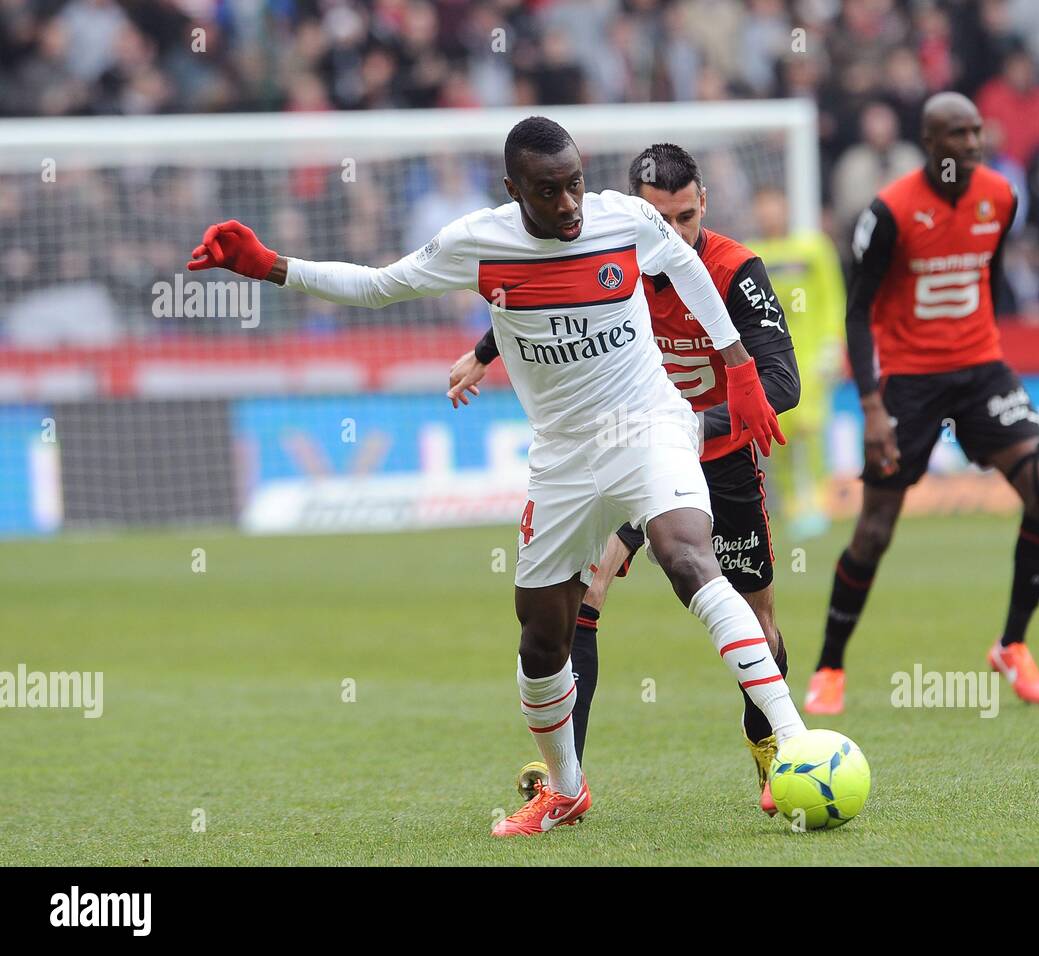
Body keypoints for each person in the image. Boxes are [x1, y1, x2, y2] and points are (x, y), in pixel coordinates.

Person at [186, 116, 806, 836]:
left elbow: (687, 265)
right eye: (551, 192)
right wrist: (271, 266)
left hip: (648, 427)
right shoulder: (476, 242)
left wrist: (738, 367)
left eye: (575, 183)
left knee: (688, 557)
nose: (571, 203)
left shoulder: (623, 219)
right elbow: (378, 287)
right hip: (564, 457)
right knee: (542, 634)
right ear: (515, 191)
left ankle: (795, 745)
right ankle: (567, 790)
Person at [449, 144, 800, 815]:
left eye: (688, 215)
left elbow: (782, 384)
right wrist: (485, 350)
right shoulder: (611, 249)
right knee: (586, 593)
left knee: (756, 615)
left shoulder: (735, 272)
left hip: (715, 457)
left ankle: (772, 760)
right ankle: (564, 780)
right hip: (627, 452)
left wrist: (687, 432)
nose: (678, 229)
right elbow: (539, 294)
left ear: (706, 206)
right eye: (662, 215)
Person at [805, 93, 1039, 716]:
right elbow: (858, 311)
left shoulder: (1001, 196)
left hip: (980, 369)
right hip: (910, 382)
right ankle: (830, 666)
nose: (972, 142)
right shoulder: (890, 212)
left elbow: (991, 274)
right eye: (958, 133)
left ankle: (1012, 644)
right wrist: (871, 405)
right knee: (874, 531)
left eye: (977, 131)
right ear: (930, 141)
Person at [746, 185, 846, 539]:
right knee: (781, 429)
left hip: (810, 351)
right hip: (771, 356)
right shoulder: (752, 253)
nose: (769, 213)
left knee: (811, 426)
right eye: (762, 206)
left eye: (774, 204)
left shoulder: (813, 247)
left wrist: (834, 342)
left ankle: (819, 498)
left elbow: (833, 297)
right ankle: (791, 502)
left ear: (786, 206)